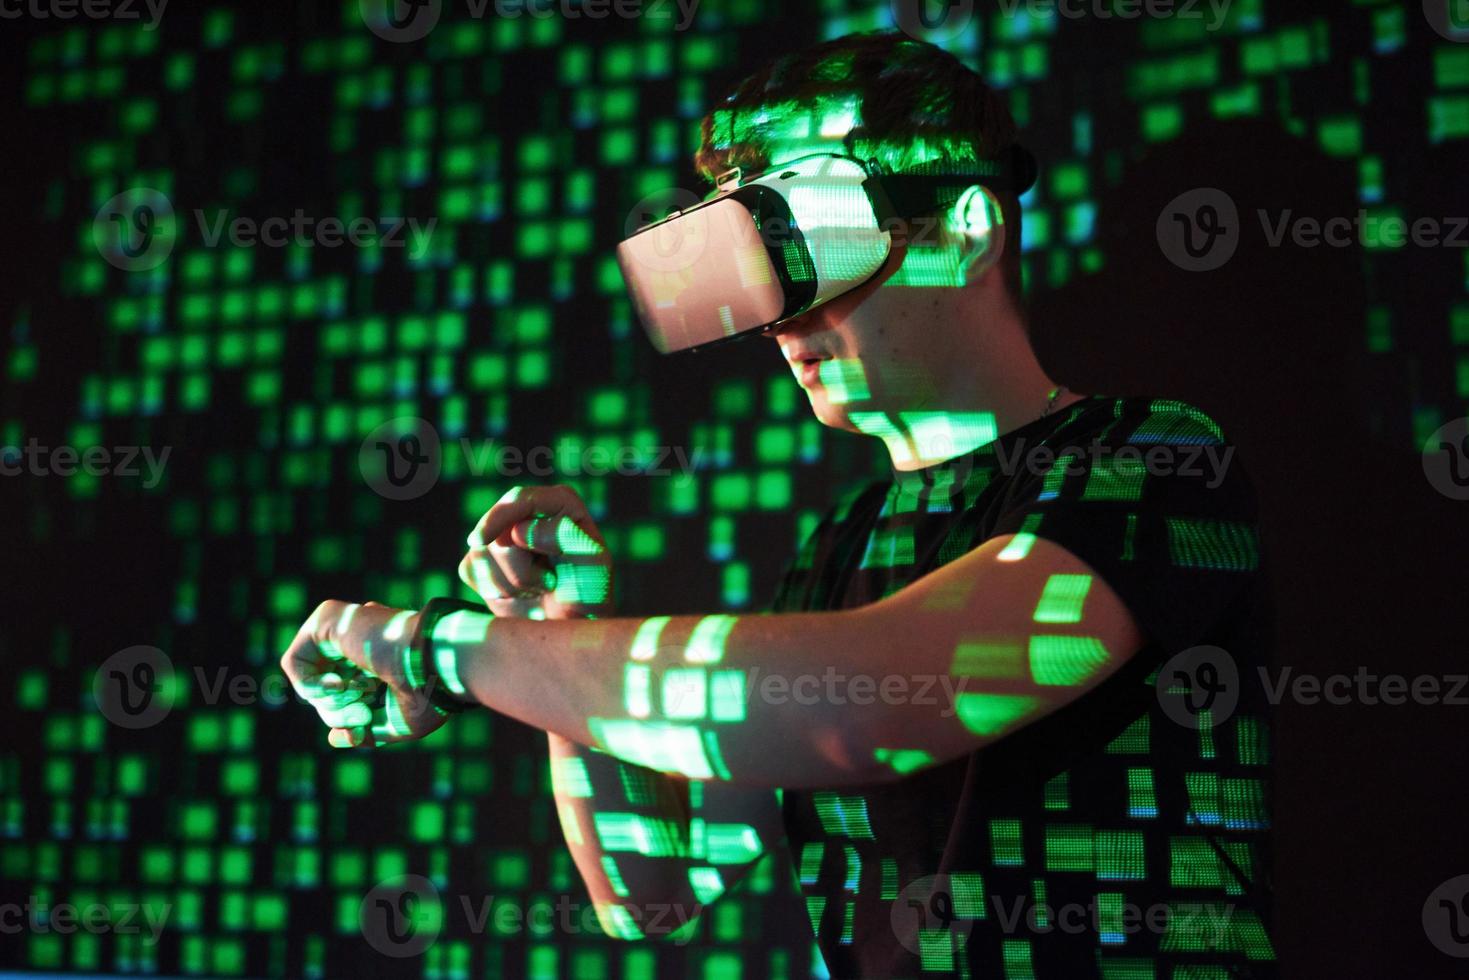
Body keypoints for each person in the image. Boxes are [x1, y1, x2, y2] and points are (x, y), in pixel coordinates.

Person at [282, 32, 1275, 978]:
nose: (781, 310)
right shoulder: (840, 545)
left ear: (965, 226)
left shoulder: (1151, 459)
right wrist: (554, 640)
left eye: (814, 240)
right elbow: (655, 884)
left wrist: (447, 653)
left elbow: (875, 699)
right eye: (754, 254)